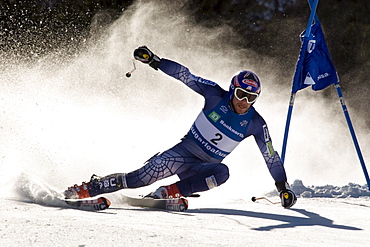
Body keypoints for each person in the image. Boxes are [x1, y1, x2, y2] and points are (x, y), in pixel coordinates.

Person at [65, 46, 297, 208]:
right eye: (240, 94)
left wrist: (282, 187)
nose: (243, 102)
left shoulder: (256, 123)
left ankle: (170, 192)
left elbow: (271, 156)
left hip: (203, 168)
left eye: (250, 98)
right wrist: (155, 61)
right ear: (231, 90)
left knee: (222, 173)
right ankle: (90, 188)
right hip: (182, 155)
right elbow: (186, 76)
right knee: (139, 179)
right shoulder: (215, 95)